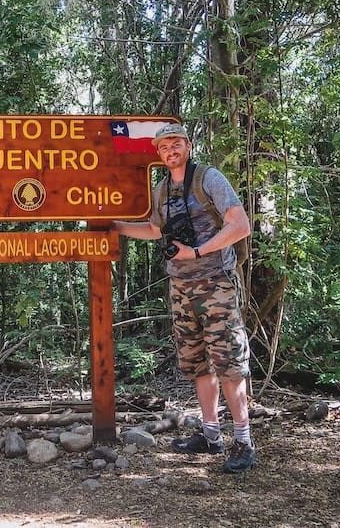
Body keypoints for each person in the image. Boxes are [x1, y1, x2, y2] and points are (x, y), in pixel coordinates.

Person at [111, 123, 256, 473]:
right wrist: (114, 226)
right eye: (164, 147)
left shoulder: (209, 179)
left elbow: (240, 225)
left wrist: (197, 251)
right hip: (180, 288)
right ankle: (210, 434)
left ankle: (243, 440)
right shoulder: (161, 190)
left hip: (215, 282)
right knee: (196, 362)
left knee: (229, 363)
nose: (170, 150)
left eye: (176, 144)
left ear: (188, 146)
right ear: (158, 154)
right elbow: (153, 230)